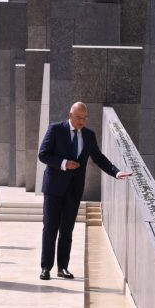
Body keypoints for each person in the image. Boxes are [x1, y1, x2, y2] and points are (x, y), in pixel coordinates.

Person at [37, 101, 131, 280]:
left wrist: (116, 172)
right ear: (70, 115)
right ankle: (46, 268)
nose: (82, 121)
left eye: (84, 118)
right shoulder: (55, 129)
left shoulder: (89, 135)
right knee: (50, 228)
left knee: (67, 230)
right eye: (78, 117)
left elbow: (99, 158)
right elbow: (43, 154)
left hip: (73, 190)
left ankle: (63, 268)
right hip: (53, 188)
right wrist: (64, 163)